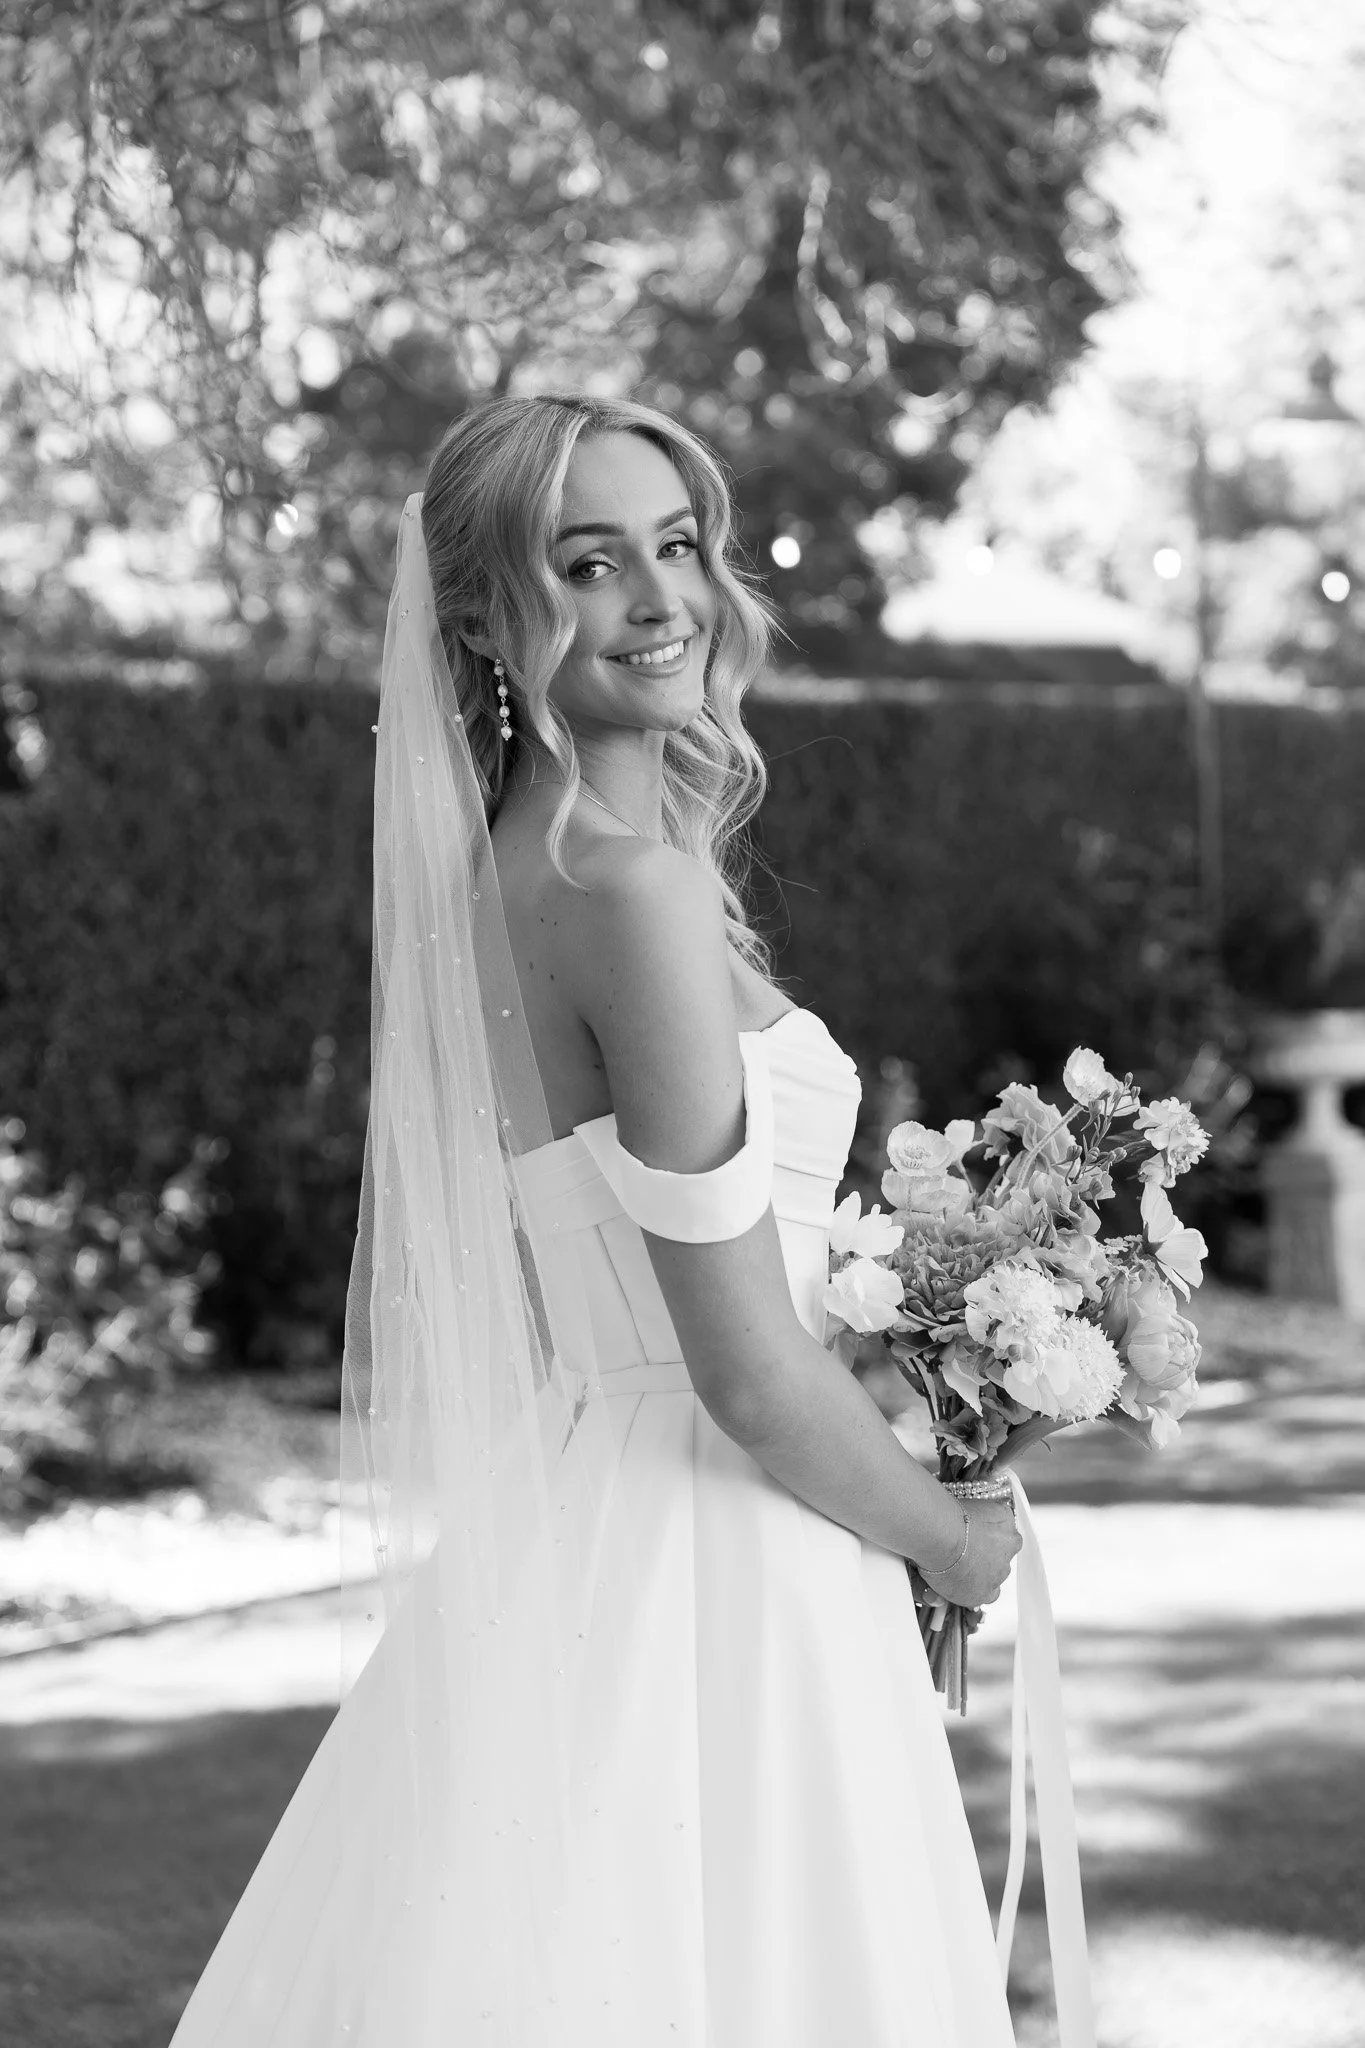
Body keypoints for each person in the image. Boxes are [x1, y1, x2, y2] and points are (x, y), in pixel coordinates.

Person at [168, 393, 1026, 2048]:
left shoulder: (515, 882)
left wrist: (919, 1363)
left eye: (677, 545)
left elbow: (653, 1291)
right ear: (489, 620)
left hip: (590, 1513)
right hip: (725, 1545)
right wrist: (950, 1537)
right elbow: (744, 1372)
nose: (660, 597)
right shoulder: (624, 892)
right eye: (588, 564)